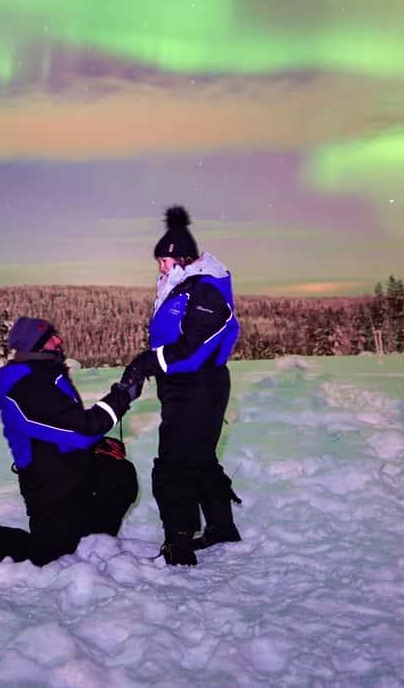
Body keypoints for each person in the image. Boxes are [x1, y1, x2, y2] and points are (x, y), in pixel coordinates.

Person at [0, 316, 140, 566]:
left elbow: (63, 427)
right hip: (49, 485)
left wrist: (96, 444)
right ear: (34, 346)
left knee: (119, 475)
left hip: (72, 468)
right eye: (50, 339)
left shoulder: (46, 376)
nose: (58, 341)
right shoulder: (26, 388)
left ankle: (91, 540)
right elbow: (82, 430)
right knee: (46, 555)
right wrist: (121, 397)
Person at [121, 206, 242, 566]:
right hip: (184, 386)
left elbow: (193, 350)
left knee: (173, 467)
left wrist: (147, 362)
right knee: (200, 458)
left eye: (164, 261)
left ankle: (179, 543)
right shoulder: (183, 286)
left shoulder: (205, 290)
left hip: (199, 385)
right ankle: (221, 528)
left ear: (182, 258)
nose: (160, 268)